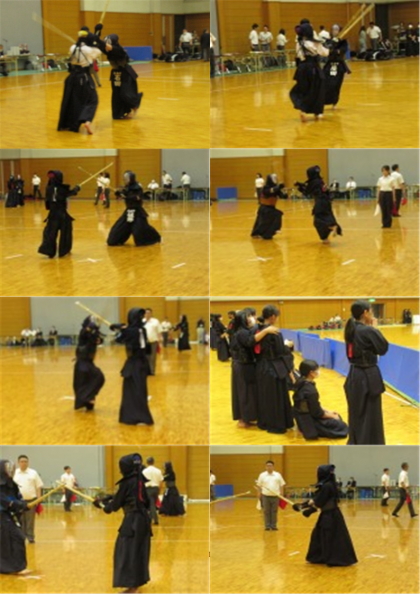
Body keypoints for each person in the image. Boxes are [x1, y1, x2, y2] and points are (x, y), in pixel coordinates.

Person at [94, 453, 152, 593]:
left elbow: (114, 506)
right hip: (143, 520)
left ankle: (132, 587)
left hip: (132, 522)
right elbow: (129, 497)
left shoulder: (127, 482)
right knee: (137, 551)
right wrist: (108, 498)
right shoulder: (138, 479)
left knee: (127, 551)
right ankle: (136, 584)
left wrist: (102, 505)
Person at [344, 300, 389, 445]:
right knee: (370, 414)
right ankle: (370, 444)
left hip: (354, 374)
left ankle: (356, 442)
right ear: (365, 313)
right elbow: (383, 348)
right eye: (371, 311)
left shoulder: (351, 329)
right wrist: (375, 329)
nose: (372, 314)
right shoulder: (367, 331)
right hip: (367, 376)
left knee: (356, 413)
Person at [294, 464, 357, 566]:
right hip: (330, 515)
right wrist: (302, 506)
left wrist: (308, 510)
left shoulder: (327, 486)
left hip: (330, 516)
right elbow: (317, 499)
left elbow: (319, 501)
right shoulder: (329, 484)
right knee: (320, 536)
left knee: (329, 537)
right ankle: (320, 557)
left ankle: (333, 558)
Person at [230, 308, 280, 429]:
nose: (251, 318)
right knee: (244, 392)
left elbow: (253, 333)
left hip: (245, 364)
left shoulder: (244, 330)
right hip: (242, 365)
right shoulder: (241, 332)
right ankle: (243, 420)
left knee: (247, 392)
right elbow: (250, 341)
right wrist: (266, 330)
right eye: (248, 316)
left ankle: (246, 418)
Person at [111, 308, 154, 426]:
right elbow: (131, 334)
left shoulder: (131, 331)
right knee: (138, 390)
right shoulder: (142, 329)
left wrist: (117, 329)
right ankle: (136, 416)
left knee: (134, 391)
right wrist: (122, 329)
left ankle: (138, 417)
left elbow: (118, 340)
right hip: (142, 364)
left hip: (134, 364)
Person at [58, 26, 104, 134]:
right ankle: (87, 121)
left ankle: (70, 123)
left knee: (74, 101)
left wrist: (95, 36)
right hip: (84, 77)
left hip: (72, 78)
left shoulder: (72, 47)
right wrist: (96, 38)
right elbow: (100, 49)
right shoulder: (89, 50)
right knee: (93, 99)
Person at [256, 305, 294, 434]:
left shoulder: (257, 330)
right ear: (272, 317)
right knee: (275, 397)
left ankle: (265, 422)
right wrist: (287, 346)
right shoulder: (275, 332)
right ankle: (277, 424)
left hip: (261, 367)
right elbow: (280, 352)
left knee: (265, 397)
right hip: (273, 368)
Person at [293, 359, 348, 440]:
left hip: (301, 416)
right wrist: (331, 415)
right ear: (311, 373)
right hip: (309, 419)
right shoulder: (310, 391)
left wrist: (328, 411)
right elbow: (316, 413)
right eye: (317, 370)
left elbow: (313, 405)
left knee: (336, 416)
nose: (318, 371)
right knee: (341, 425)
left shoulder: (300, 382)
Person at [107, 171, 161, 247]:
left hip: (138, 213)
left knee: (140, 236)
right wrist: (118, 193)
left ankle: (155, 237)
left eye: (126, 178)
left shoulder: (138, 188)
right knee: (113, 239)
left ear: (131, 178)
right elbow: (122, 194)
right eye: (124, 178)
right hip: (128, 212)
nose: (125, 180)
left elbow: (137, 198)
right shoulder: (127, 188)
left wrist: (127, 197)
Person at [290, 22, 329, 122]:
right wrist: (330, 45)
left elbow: (300, 56)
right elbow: (325, 53)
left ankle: (303, 110)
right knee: (318, 89)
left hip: (302, 68)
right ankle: (317, 112)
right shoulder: (315, 43)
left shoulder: (299, 43)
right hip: (313, 68)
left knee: (305, 90)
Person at [37, 170, 80, 258]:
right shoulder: (62, 188)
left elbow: (48, 202)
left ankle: (49, 251)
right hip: (62, 215)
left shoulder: (48, 188)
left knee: (50, 233)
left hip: (52, 214)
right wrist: (76, 189)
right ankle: (63, 250)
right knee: (66, 232)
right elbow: (68, 193)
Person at [295, 166, 342, 244]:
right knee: (327, 216)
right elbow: (308, 186)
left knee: (318, 221)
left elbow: (306, 192)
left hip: (320, 202)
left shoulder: (313, 182)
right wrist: (300, 184)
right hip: (326, 201)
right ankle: (326, 237)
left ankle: (331, 227)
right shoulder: (320, 181)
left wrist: (299, 186)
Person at [101, 33, 143, 119]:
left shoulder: (118, 49)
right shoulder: (108, 50)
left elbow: (107, 47)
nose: (106, 45)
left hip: (125, 73)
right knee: (116, 95)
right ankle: (120, 113)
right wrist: (96, 35)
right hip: (116, 74)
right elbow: (100, 46)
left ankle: (135, 104)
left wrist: (99, 41)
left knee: (125, 93)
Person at [0, 459, 28, 574]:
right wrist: (16, 504)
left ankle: (15, 566)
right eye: (8, 468)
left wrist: (23, 505)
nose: (10, 471)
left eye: (12, 469)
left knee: (17, 538)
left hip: (8, 516)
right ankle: (8, 567)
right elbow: (4, 500)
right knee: (13, 538)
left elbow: (17, 498)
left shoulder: (12, 485)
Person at [73, 315, 105, 411]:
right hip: (83, 363)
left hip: (89, 362)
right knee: (96, 377)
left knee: (93, 379)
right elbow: (85, 332)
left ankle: (88, 400)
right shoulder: (83, 332)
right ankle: (86, 399)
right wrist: (92, 326)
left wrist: (97, 332)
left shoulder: (93, 334)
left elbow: (99, 340)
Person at [13, 456, 43, 544]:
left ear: (28, 462)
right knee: (20, 519)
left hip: (31, 500)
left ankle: (30, 537)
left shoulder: (33, 473)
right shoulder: (14, 473)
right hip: (18, 501)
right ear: (18, 462)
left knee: (30, 520)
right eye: (22, 461)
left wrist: (38, 499)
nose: (24, 463)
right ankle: (21, 537)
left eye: (25, 461)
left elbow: (38, 486)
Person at [251, 175, 286, 239]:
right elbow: (269, 191)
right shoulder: (265, 188)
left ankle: (267, 234)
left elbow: (283, 196)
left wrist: (284, 192)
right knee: (263, 221)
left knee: (265, 222)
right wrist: (278, 187)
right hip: (264, 208)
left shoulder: (276, 189)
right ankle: (275, 229)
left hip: (271, 208)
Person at [324, 25, 351, 109]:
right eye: (333, 30)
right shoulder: (329, 41)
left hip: (339, 65)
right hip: (329, 65)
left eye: (336, 30)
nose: (335, 31)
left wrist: (335, 47)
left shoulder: (343, 42)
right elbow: (326, 50)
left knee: (336, 84)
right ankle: (324, 100)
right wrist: (331, 44)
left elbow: (341, 51)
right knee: (327, 83)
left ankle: (334, 102)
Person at [256, 461, 286, 530]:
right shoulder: (262, 475)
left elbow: (282, 484)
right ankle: (267, 526)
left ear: (273, 467)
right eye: (267, 466)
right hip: (265, 496)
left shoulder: (278, 475)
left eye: (270, 466)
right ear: (265, 467)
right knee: (266, 511)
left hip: (276, 496)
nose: (269, 467)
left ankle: (274, 526)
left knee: (274, 511)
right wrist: (258, 493)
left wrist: (282, 493)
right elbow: (259, 485)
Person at [142, 457, 163, 526]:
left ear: (147, 462)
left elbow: (142, 482)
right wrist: (159, 490)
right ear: (153, 462)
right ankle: (150, 519)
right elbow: (161, 482)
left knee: (151, 504)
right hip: (156, 488)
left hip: (148, 489)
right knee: (152, 503)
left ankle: (155, 519)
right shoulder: (158, 471)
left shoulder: (144, 471)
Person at [144, 308, 162, 375]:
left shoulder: (155, 321)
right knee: (145, 357)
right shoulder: (142, 321)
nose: (147, 314)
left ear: (151, 314)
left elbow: (159, 331)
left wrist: (160, 341)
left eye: (149, 313)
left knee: (152, 357)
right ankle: (146, 371)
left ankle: (152, 371)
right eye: (146, 313)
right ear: (144, 314)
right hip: (145, 343)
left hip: (153, 342)